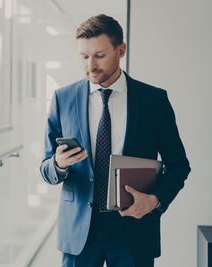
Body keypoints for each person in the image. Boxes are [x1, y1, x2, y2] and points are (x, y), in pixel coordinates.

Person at [39, 14, 190, 267]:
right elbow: (45, 168)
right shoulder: (62, 99)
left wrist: (154, 201)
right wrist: (58, 164)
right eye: (84, 57)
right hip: (79, 233)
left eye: (99, 56)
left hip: (135, 229)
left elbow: (179, 165)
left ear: (121, 50)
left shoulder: (153, 100)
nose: (91, 65)